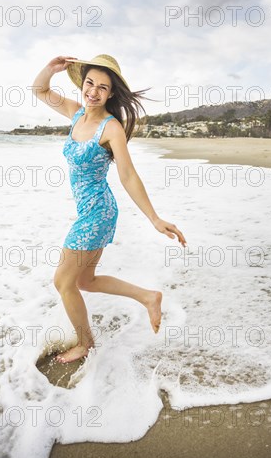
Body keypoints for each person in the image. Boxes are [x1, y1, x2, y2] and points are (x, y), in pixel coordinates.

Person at [32, 54, 187, 363]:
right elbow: (39, 90)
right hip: (89, 212)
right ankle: (148, 297)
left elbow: (128, 175)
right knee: (84, 282)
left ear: (111, 93)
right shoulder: (76, 113)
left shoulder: (111, 128)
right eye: (90, 83)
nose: (93, 91)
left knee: (63, 282)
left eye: (102, 87)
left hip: (97, 213)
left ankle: (85, 343)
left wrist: (154, 218)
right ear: (82, 83)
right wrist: (51, 69)